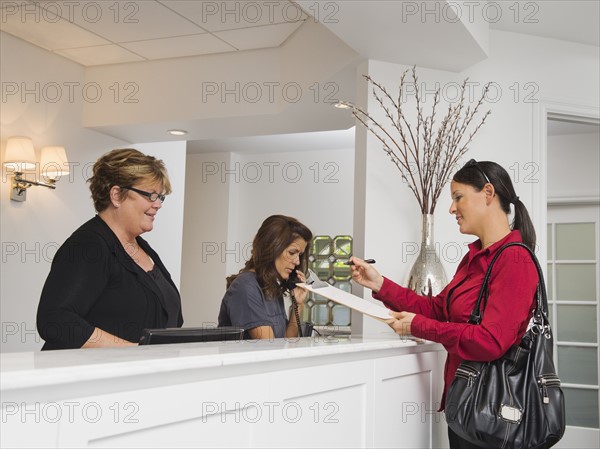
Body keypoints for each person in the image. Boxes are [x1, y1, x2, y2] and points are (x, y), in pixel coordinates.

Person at [349, 159, 538, 449]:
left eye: (458, 197)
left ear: (488, 193)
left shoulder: (515, 260)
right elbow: (439, 309)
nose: (451, 208)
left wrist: (420, 327)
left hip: (494, 417)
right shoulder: (473, 258)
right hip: (465, 409)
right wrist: (379, 284)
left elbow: (490, 341)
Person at [37, 148, 183, 350]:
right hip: (92, 378)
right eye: (150, 195)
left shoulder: (143, 247)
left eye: (160, 197)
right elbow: (55, 320)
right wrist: (132, 352)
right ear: (116, 195)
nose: (158, 204)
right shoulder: (88, 245)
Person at [218, 215, 312, 339]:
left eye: (299, 255)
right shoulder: (246, 287)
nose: (297, 262)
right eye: (292, 253)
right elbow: (269, 348)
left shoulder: (271, 287)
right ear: (272, 248)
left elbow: (287, 342)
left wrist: (298, 304)